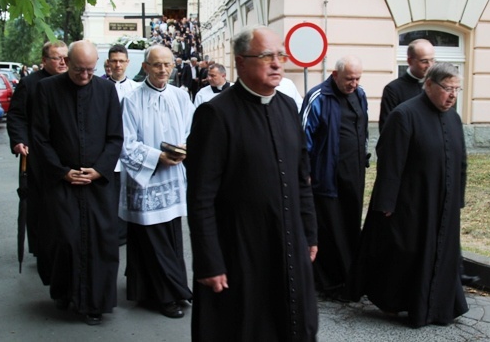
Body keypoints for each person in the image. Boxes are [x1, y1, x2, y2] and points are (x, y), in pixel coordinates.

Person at [185, 25, 319, 341]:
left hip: (286, 242)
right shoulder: (215, 114)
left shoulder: (288, 107)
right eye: (266, 56)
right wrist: (208, 261)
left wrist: (310, 232)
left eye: (280, 55)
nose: (277, 63)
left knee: (294, 322)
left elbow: (302, 178)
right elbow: (201, 196)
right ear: (241, 62)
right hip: (239, 250)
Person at [347, 62, 468, 328]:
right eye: (447, 88)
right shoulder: (405, 115)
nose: (452, 96)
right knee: (407, 254)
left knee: (440, 254)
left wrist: (458, 197)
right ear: (429, 85)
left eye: (457, 90)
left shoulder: (453, 117)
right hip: (412, 201)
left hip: (443, 203)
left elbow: (461, 161)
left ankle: (438, 307)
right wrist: (387, 202)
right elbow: (391, 162)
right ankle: (398, 303)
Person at [32, 40, 123, 325]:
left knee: (101, 243)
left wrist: (99, 169)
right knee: (65, 240)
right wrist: (61, 171)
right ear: (67, 63)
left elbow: (115, 137)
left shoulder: (107, 90)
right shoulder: (46, 90)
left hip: (97, 183)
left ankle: (95, 303)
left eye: (90, 70)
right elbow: (40, 137)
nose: (84, 76)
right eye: (78, 70)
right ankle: (64, 292)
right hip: (62, 181)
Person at [119, 45, 194, 319]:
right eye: (157, 65)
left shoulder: (181, 96)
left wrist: (184, 148)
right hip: (145, 182)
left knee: (172, 237)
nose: (163, 70)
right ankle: (167, 295)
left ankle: (172, 290)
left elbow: (191, 130)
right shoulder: (131, 99)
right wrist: (157, 156)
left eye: (167, 65)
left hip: (173, 178)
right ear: (145, 67)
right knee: (152, 240)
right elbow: (126, 144)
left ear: (173, 67)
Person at [300, 56, 369, 299]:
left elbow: (363, 128)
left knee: (350, 225)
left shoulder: (360, 94)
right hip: (326, 176)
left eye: (358, 78)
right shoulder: (318, 96)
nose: (354, 83)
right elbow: (303, 136)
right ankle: (327, 284)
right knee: (330, 229)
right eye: (349, 78)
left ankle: (348, 278)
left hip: (355, 174)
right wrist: (305, 171)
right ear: (335, 74)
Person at [7, 41, 68, 257]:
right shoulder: (29, 83)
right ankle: (40, 247)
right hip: (36, 155)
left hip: (63, 153)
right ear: (44, 61)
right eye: (57, 57)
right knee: (38, 204)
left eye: (65, 57)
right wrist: (19, 139)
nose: (63, 62)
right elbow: (16, 115)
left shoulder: (70, 81)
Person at [106, 44, 141, 245]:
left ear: (127, 63)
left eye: (121, 61)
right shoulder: (100, 86)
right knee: (110, 195)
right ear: (108, 63)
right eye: (114, 61)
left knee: (128, 193)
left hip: (129, 150)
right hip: (108, 152)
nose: (118, 65)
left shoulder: (135, 89)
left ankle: (126, 232)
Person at [378, 38, 435, 133]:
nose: (430, 65)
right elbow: (387, 129)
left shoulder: (437, 86)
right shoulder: (393, 89)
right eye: (424, 61)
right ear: (410, 61)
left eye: (432, 60)